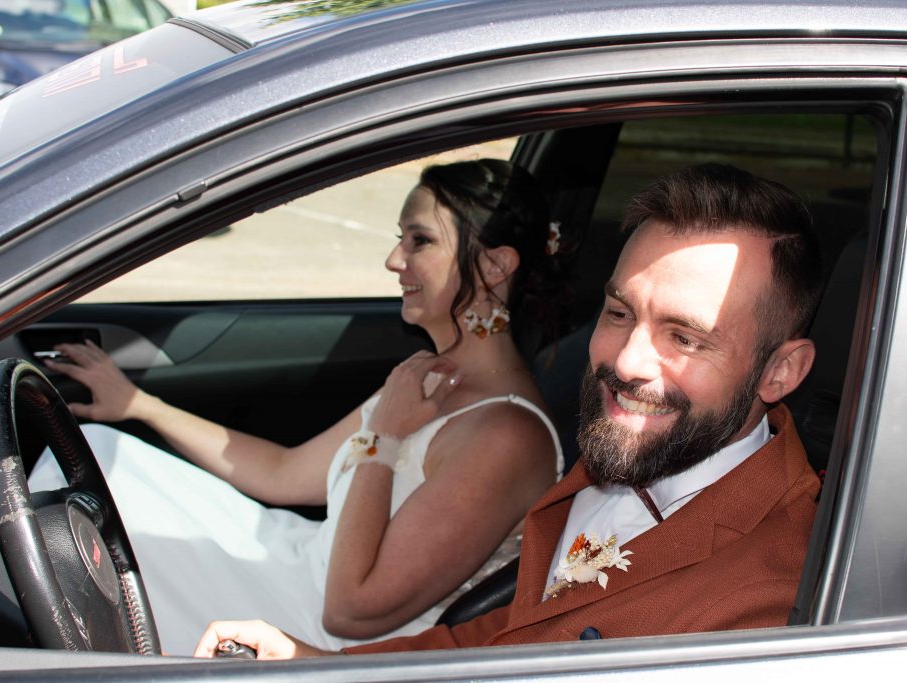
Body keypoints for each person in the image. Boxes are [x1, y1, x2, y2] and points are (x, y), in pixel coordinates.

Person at [192, 162, 825, 658]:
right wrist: (313, 664)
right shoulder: (642, 450)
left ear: (780, 371)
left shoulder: (770, 604)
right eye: (619, 313)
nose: (626, 361)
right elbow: (502, 636)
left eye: (684, 337)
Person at [28, 159, 567, 655]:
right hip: (294, 563)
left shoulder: (507, 435)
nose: (393, 259)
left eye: (419, 240)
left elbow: (352, 612)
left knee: (62, 543)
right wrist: (139, 404)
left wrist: (384, 439)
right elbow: (282, 473)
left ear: (495, 265)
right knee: (97, 464)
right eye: (399, 238)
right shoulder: (421, 379)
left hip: (312, 635)